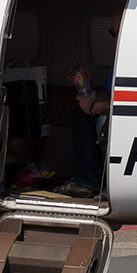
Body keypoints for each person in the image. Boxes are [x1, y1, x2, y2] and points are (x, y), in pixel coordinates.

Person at [50, 12, 120, 199]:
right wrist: (90, 93)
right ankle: (86, 182)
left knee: (102, 121)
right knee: (82, 114)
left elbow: (128, 105)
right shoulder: (120, 62)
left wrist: (95, 107)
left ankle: (114, 186)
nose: (109, 37)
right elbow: (108, 90)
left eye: (114, 33)